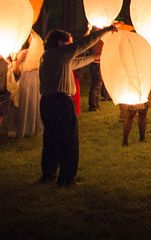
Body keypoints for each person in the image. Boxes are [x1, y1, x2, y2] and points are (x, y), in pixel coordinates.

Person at [38, 25, 115, 186]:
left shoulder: (48, 56)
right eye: (69, 43)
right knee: (68, 140)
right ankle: (66, 178)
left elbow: (73, 63)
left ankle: (48, 173)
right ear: (61, 43)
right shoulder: (60, 54)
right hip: (61, 102)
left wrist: (92, 59)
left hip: (47, 102)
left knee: (51, 139)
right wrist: (105, 30)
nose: (71, 46)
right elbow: (84, 44)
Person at [6, 32, 44, 138]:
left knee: (33, 103)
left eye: (32, 39)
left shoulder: (39, 54)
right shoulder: (21, 53)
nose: (31, 40)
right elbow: (16, 72)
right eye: (30, 39)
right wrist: (18, 61)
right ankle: (20, 129)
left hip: (35, 81)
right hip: (23, 82)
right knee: (22, 104)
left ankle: (31, 128)